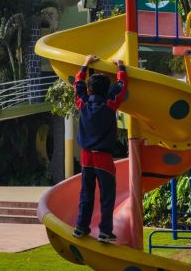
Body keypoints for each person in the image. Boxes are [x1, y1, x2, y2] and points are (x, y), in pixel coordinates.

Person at [72, 54, 128, 243]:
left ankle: (80, 227)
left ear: (89, 90)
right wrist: (121, 67)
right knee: (107, 195)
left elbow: (78, 84)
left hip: (86, 156)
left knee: (86, 192)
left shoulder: (83, 104)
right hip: (103, 157)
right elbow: (121, 87)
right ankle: (104, 231)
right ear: (106, 91)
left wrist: (86, 64)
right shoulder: (110, 104)